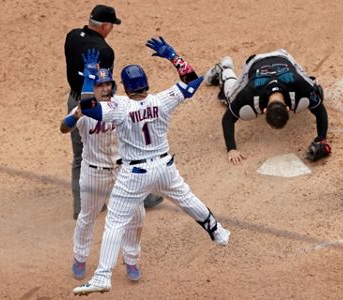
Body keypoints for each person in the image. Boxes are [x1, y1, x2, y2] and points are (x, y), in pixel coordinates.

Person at [72, 37, 231, 296]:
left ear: (124, 86)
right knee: (187, 198)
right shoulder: (163, 99)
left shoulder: (119, 106)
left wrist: (90, 77)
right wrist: (173, 56)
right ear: (146, 84)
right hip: (165, 168)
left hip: (135, 174)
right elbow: (192, 82)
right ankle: (218, 232)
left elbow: (89, 107)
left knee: (114, 222)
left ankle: (102, 276)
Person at [60, 63, 145, 282]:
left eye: (108, 84)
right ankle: (80, 257)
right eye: (100, 85)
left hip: (123, 171)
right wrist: (76, 115)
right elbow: (64, 127)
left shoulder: (122, 105)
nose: (106, 88)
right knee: (87, 217)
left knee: (136, 216)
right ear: (93, 88)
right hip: (94, 173)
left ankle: (132, 260)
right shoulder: (84, 110)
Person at [204, 49, 331, 164]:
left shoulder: (300, 86)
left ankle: (313, 86)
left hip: (284, 58)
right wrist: (231, 149)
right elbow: (228, 118)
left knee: (314, 92)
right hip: (254, 63)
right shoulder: (249, 92)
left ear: (264, 110)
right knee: (230, 99)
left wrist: (322, 139)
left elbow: (319, 109)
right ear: (287, 108)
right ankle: (225, 68)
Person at [64, 4, 121, 219]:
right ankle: (141, 196)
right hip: (97, 108)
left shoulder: (71, 36)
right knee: (116, 152)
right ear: (105, 26)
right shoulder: (106, 52)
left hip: (74, 102)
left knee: (80, 157)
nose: (112, 28)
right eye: (112, 25)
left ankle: (80, 208)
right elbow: (105, 86)